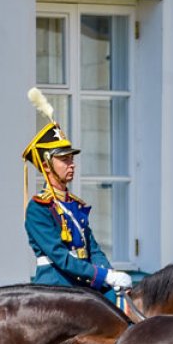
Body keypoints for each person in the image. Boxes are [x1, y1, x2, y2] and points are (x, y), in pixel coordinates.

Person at [23, 88, 132, 299]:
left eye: (71, 159)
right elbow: (61, 258)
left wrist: (109, 273)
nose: (71, 164)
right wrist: (102, 275)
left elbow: (91, 246)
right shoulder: (38, 208)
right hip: (56, 286)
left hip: (84, 283)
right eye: (64, 160)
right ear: (46, 166)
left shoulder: (74, 204)